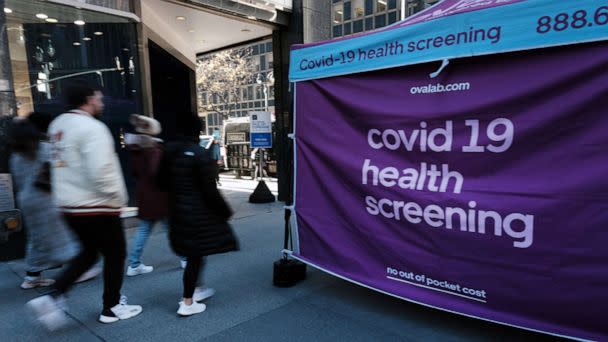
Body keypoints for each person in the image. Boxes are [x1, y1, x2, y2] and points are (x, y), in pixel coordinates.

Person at [26, 80, 142, 330]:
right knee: (115, 254)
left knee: (89, 253)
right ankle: (111, 307)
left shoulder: (58, 125)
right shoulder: (92, 127)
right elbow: (101, 170)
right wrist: (117, 199)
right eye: (99, 98)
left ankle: (53, 296)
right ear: (89, 99)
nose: (101, 103)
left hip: (69, 205)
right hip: (97, 204)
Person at [158, 112, 238, 317]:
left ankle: (197, 289)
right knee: (195, 256)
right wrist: (225, 211)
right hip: (197, 213)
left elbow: (159, 183)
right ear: (197, 130)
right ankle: (187, 302)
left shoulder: (167, 152)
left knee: (195, 254)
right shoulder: (199, 153)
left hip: (176, 211)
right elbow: (210, 190)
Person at [9, 114, 79, 290]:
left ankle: (32, 276)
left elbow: (18, 181)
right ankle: (79, 268)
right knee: (62, 235)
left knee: (37, 238)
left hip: (26, 200)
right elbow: (62, 169)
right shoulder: (45, 149)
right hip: (46, 198)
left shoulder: (16, 156)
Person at [125, 114, 186, 275]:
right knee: (172, 229)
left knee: (144, 230)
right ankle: (185, 258)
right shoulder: (153, 149)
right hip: (159, 196)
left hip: (145, 195)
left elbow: (134, 172)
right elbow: (158, 172)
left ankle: (134, 264)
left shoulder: (135, 148)